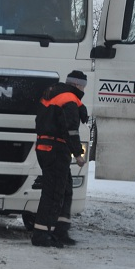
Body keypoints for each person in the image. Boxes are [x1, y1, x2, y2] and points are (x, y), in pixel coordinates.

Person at [31, 70, 89, 248]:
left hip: (46, 148)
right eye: (83, 85)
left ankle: (60, 230)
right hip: (56, 149)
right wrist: (78, 154)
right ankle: (42, 234)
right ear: (77, 84)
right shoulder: (69, 100)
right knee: (54, 192)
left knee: (65, 189)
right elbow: (70, 130)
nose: (83, 89)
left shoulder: (53, 93)